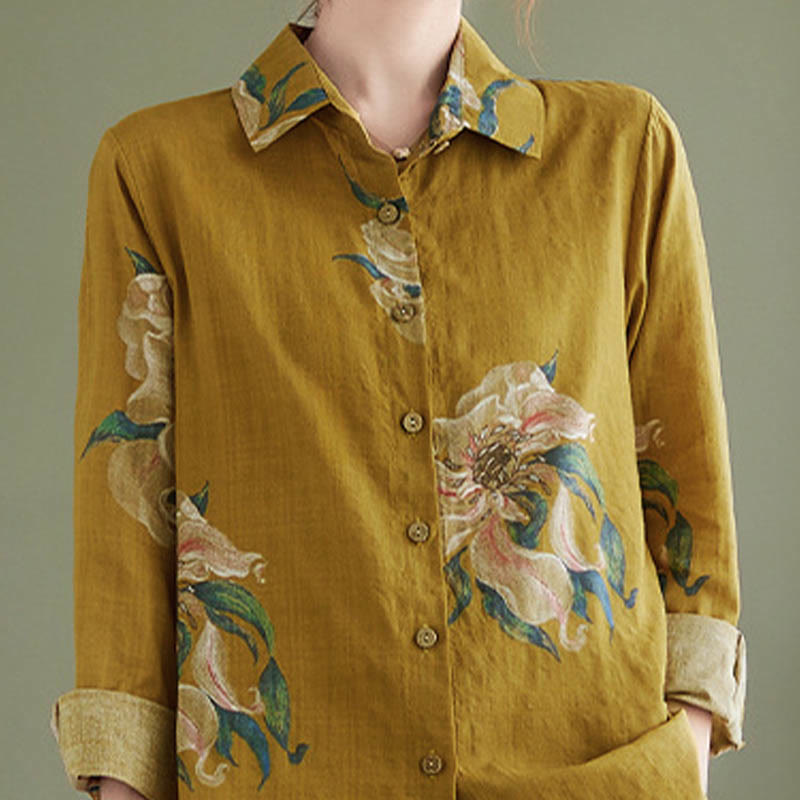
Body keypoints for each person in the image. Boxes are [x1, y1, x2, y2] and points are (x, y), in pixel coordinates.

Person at [48, 1, 747, 798]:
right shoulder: (157, 172)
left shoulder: (622, 151)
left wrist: (687, 748)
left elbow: (689, 496)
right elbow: (127, 535)